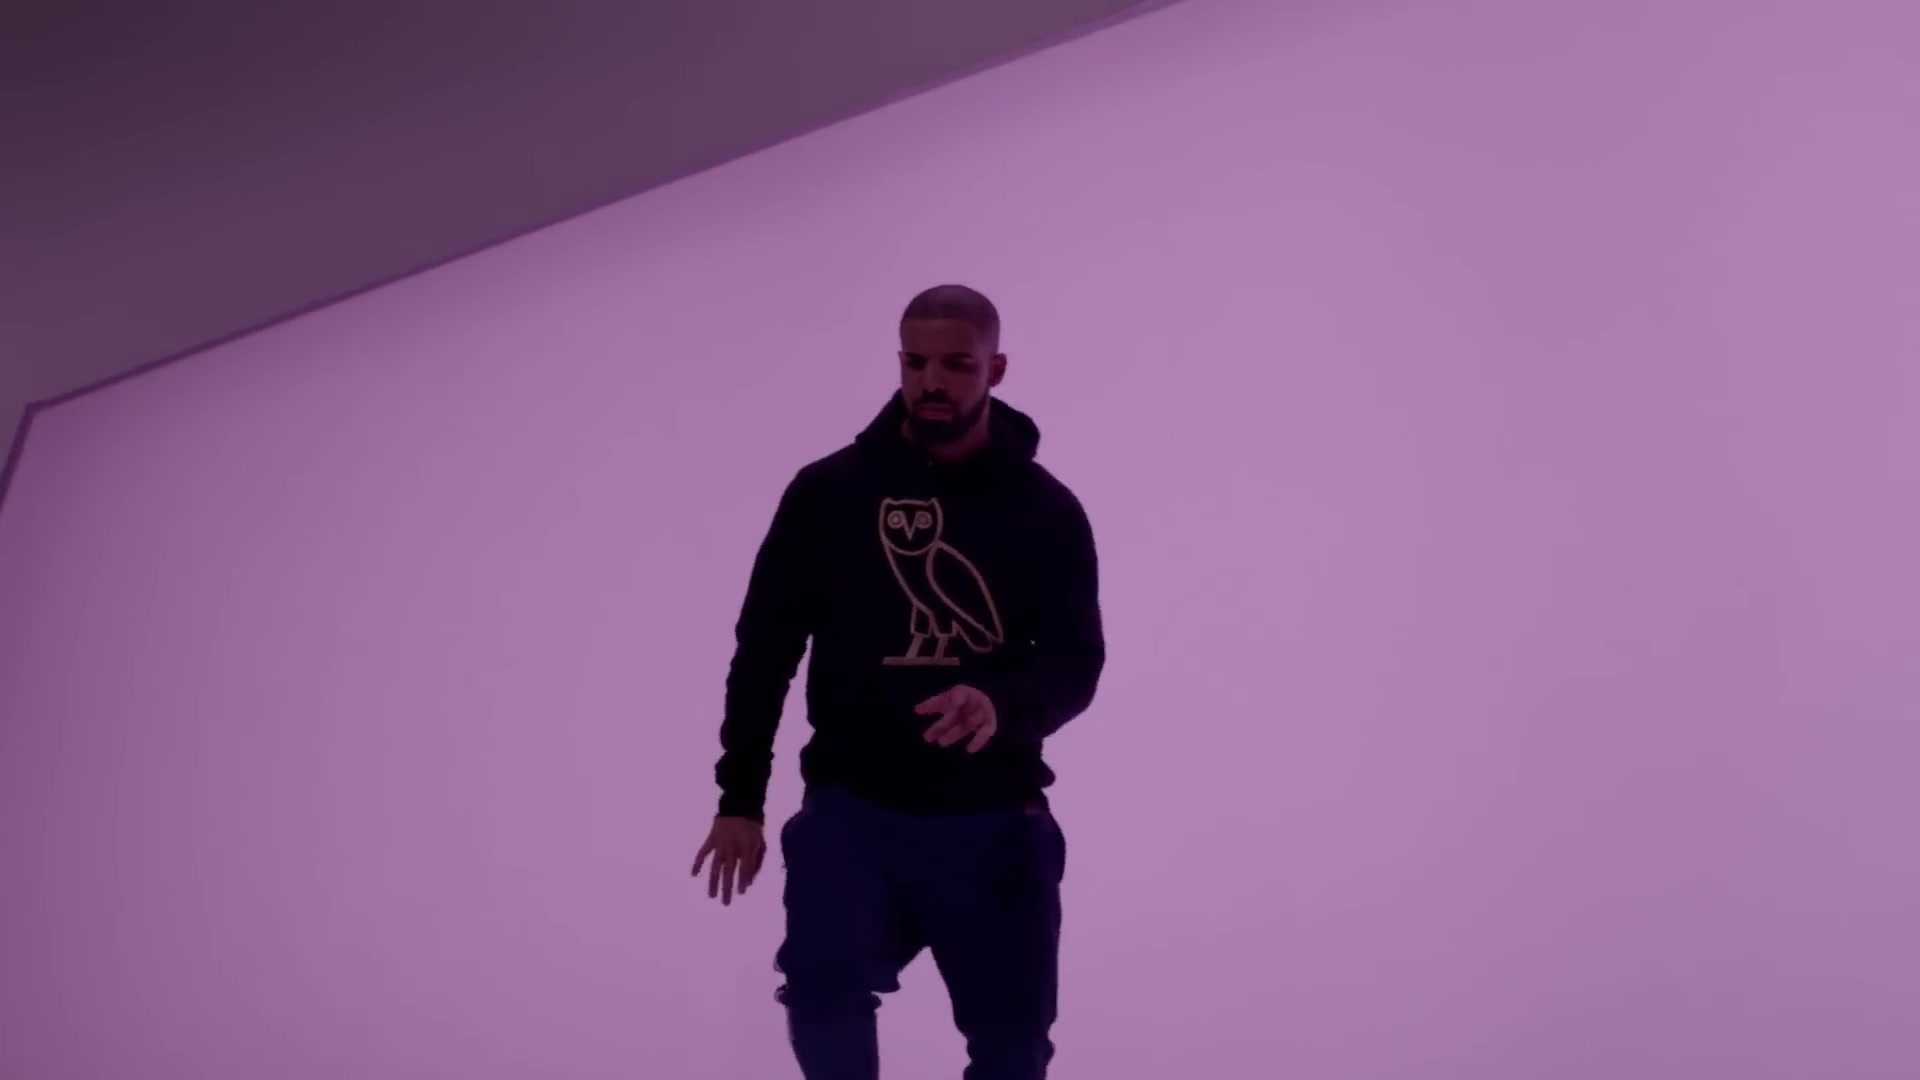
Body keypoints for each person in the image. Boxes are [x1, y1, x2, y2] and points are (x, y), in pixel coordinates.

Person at [690, 284, 1106, 1080]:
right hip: (856, 809)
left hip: (995, 817)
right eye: (916, 363)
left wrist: (998, 703)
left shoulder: (1047, 511)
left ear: (996, 369)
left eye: (957, 364)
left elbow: (1075, 663)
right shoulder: (828, 495)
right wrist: (739, 799)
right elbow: (764, 652)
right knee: (821, 989)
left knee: (1013, 1049)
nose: (932, 382)